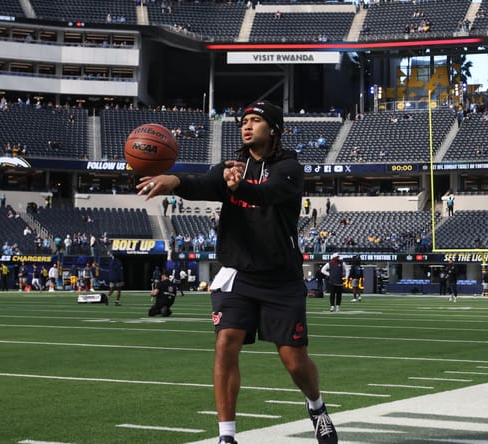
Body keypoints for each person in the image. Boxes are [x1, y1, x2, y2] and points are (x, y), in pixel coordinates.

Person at [135, 100, 337, 444]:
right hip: (237, 273)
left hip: (280, 277)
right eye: (244, 121)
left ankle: (316, 407)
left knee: (293, 361)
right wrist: (173, 179)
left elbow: (268, 194)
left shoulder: (290, 167)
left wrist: (236, 188)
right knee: (226, 341)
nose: (246, 126)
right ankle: (226, 436)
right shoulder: (230, 165)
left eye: (255, 121)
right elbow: (201, 183)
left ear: (273, 129)